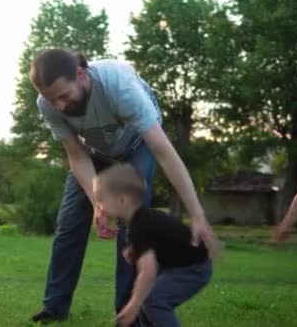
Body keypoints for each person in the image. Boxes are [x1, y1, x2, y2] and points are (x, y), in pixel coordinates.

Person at [28, 49, 220, 324]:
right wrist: (97, 204)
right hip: (94, 153)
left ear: (81, 74)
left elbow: (164, 152)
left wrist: (198, 215)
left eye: (63, 95)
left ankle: (128, 312)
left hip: (136, 146)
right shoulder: (47, 104)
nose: (58, 105)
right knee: (69, 224)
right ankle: (54, 309)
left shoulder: (120, 87)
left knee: (134, 224)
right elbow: (76, 154)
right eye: (51, 99)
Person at [93, 163, 212, 327]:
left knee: (153, 301)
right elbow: (157, 241)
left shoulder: (140, 226)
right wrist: (135, 250)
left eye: (101, 200)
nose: (98, 206)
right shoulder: (142, 218)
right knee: (147, 301)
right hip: (183, 264)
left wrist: (132, 305)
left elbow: (148, 273)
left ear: (122, 201)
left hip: (193, 268)